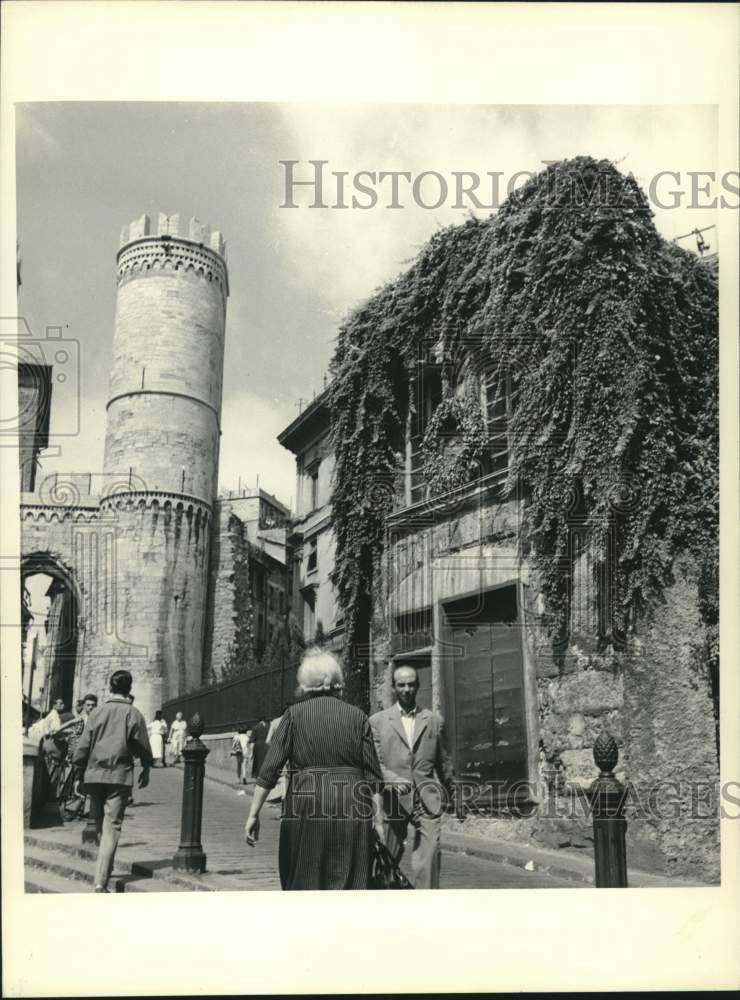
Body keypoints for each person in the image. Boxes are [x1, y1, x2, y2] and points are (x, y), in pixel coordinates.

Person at [244, 649, 385, 890]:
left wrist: (253, 814)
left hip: (307, 802)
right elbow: (374, 778)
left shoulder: (294, 716)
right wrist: (379, 822)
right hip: (353, 802)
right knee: (351, 877)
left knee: (304, 872)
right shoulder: (358, 717)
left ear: (305, 681)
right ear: (337, 680)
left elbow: (269, 771)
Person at [369, 664, 455, 889]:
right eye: (401, 685)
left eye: (410, 684)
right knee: (385, 858)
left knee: (430, 857)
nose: (406, 689)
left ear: (418, 686)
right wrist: (391, 779)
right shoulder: (377, 722)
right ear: (394, 688)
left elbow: (444, 762)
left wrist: (453, 794)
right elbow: (372, 763)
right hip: (392, 800)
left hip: (426, 799)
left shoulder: (434, 721)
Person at [72, 670, 153, 892]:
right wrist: (146, 767)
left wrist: (78, 773)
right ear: (129, 689)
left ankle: (101, 870)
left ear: (110, 687)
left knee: (99, 825)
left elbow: (83, 747)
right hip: (119, 776)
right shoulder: (133, 714)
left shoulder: (97, 713)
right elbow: (143, 747)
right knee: (112, 827)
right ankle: (100, 881)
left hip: (94, 775)